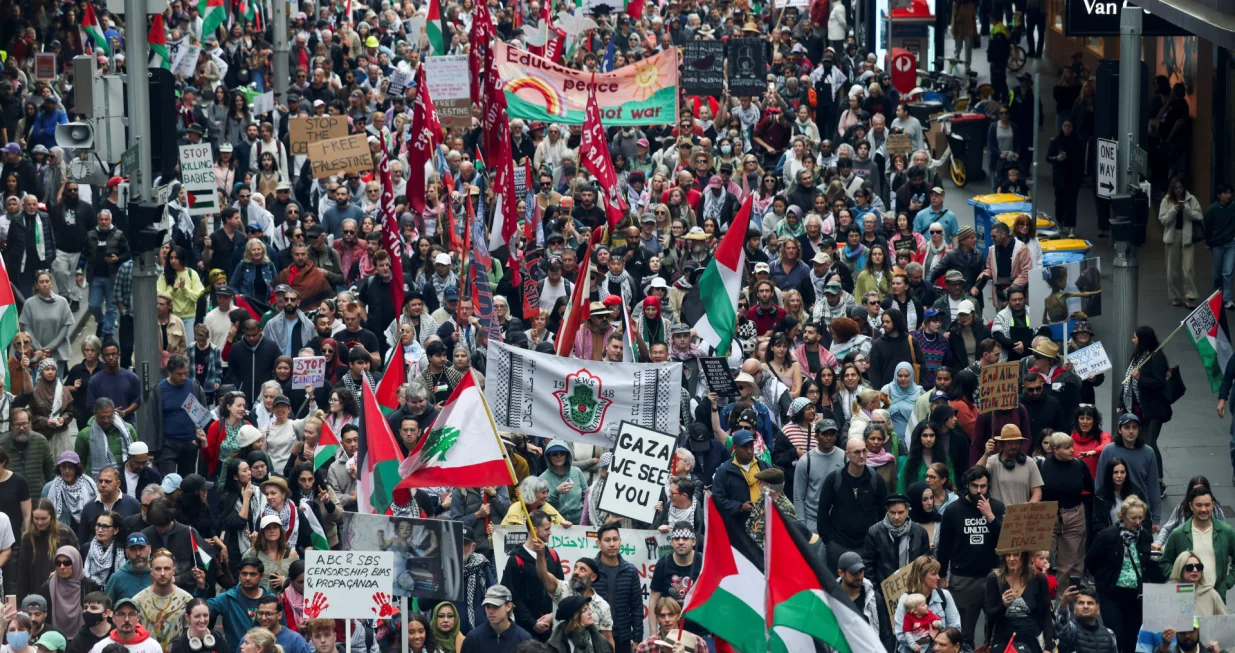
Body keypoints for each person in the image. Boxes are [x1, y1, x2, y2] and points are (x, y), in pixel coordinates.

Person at [936, 467, 1005, 647]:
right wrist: (942, 575)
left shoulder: (997, 507)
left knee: (996, 631)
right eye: (975, 486)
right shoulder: (953, 511)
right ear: (967, 485)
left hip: (993, 576)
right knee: (964, 634)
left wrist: (990, 516)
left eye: (983, 486)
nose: (979, 490)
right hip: (963, 579)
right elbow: (944, 546)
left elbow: (1007, 541)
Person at [1089, 496, 1163, 651]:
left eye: (1140, 518)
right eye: (1133, 518)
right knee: (1117, 638)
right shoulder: (1107, 535)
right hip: (1111, 596)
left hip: (1135, 597)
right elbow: (1090, 561)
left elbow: (1148, 564)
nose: (1137, 522)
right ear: (1122, 516)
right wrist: (1103, 580)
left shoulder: (1144, 536)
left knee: (1133, 639)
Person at [817, 436, 889, 571]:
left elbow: (883, 512)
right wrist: (828, 540)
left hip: (867, 544)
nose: (862, 456)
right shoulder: (834, 479)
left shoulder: (876, 480)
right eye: (856, 452)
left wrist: (878, 540)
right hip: (838, 544)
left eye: (864, 451)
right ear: (847, 454)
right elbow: (823, 510)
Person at [1120, 326, 1171, 500]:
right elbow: (1126, 381)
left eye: (1135, 337)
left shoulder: (1157, 358)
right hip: (1138, 408)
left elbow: (1159, 383)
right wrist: (1122, 401)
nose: (1133, 340)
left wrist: (1140, 378)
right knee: (1143, 443)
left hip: (1153, 410)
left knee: (1150, 443)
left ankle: (1159, 481)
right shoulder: (1138, 357)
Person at [1158, 485, 1235, 599]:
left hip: (1216, 596)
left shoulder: (1226, 532)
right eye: (1199, 505)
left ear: (1213, 505)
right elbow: (1165, 562)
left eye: (1207, 505)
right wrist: (1179, 580)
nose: (1203, 509)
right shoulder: (1178, 534)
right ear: (1191, 506)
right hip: (1186, 598)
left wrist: (1226, 584)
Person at [1040, 433, 1093, 579]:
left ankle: (1064, 600)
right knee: (1041, 561)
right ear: (1055, 450)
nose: (1072, 450)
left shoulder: (1079, 465)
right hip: (1047, 516)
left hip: (1074, 515)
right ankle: (1042, 598)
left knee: (1069, 566)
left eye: (1072, 447)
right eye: (1067, 448)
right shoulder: (1041, 466)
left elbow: (1091, 488)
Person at [198, 557, 276, 653]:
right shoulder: (228, 598)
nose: (247, 578)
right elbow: (199, 609)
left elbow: (281, 631)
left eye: (252, 574)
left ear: (261, 576)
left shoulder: (272, 600)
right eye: (244, 574)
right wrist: (201, 587)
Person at [1097, 413, 1163, 525]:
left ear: (1139, 430)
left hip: (1140, 511)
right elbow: (1099, 482)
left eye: (1134, 427)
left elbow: (1154, 487)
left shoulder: (1148, 452)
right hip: (1114, 510)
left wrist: (1156, 518)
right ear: (1119, 430)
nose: (1131, 431)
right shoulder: (1109, 450)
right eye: (1127, 427)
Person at [893, 556, 961, 653]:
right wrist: (928, 638)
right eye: (934, 574)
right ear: (921, 575)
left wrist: (939, 638)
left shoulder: (944, 596)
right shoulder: (906, 600)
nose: (938, 577)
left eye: (938, 573)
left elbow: (956, 628)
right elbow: (900, 635)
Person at [131, 550, 193, 651]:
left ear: (173, 571)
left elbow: (190, 635)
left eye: (167, 569)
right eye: (158, 569)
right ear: (151, 571)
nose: (163, 573)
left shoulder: (186, 600)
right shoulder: (138, 601)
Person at [863, 494, 930, 586]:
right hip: (884, 590)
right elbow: (868, 565)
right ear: (887, 511)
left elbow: (925, 564)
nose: (896, 517)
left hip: (914, 587)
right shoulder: (874, 533)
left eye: (900, 512)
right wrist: (875, 592)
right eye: (893, 512)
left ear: (907, 510)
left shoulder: (920, 532)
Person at [1159, 177, 1204, 308]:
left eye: (1180, 188)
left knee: (1188, 268)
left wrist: (1186, 209)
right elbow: (1163, 220)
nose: (1179, 190)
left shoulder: (1191, 199)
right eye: (1176, 188)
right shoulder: (1166, 200)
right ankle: (1175, 296)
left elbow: (1199, 215)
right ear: (1172, 189)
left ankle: (1190, 296)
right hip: (1172, 237)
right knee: (1172, 269)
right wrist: (1173, 209)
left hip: (1187, 236)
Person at [794, 419, 846, 533]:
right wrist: (802, 525)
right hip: (813, 520)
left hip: (839, 519)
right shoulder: (805, 461)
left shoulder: (845, 457)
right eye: (825, 434)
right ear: (816, 436)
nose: (829, 438)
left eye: (832, 434)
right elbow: (798, 497)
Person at [979, 425, 1043, 505]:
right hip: (998, 515)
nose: (1014, 446)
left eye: (1017, 443)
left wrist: (1027, 509)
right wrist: (986, 454)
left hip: (1021, 515)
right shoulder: (992, 461)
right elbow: (976, 474)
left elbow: (1037, 493)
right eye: (1010, 443)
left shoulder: (1030, 462)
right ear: (1002, 444)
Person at [459, 585, 533, 653]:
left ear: (509, 606)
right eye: (488, 606)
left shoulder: (523, 639)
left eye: (496, 606)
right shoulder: (473, 638)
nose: (490, 611)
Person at [1053, 584, 1119, 653]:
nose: (1085, 606)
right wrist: (1063, 604)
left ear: (1098, 610)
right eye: (1081, 603)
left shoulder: (1109, 634)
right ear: (1075, 609)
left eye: (1090, 603)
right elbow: (1060, 625)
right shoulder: (1070, 630)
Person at [85, 598, 162, 653]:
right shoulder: (100, 648)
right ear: (113, 618)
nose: (127, 619)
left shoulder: (153, 647)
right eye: (121, 614)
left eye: (131, 614)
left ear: (138, 618)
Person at [545, 595, 613, 653]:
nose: (590, 613)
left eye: (589, 608)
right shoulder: (555, 644)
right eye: (584, 610)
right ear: (574, 617)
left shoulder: (600, 640)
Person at [103, 533, 152, 603]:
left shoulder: (158, 574)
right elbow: (106, 607)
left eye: (141, 548)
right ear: (126, 552)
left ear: (150, 549)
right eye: (133, 549)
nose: (138, 553)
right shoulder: (117, 578)